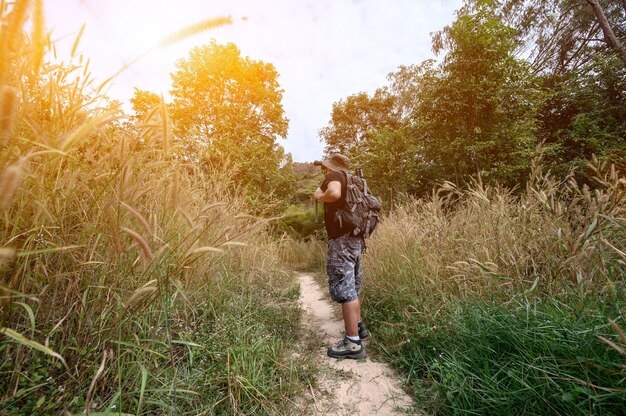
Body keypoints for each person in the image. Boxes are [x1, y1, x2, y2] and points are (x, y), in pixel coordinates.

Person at [313, 153, 369, 359]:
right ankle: (359, 328)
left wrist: (319, 195)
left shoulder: (335, 176)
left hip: (342, 240)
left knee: (345, 291)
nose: (324, 172)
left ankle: (353, 344)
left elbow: (334, 194)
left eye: (324, 168)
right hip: (356, 239)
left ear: (331, 167)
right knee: (352, 287)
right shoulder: (354, 180)